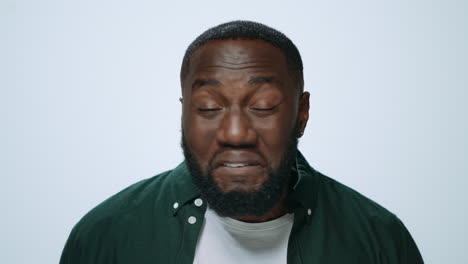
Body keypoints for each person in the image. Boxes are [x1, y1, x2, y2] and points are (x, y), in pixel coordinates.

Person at [60, 20, 424, 264]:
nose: (236, 133)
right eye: (209, 107)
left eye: (263, 106)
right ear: (185, 113)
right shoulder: (106, 237)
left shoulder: (379, 241)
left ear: (302, 112)